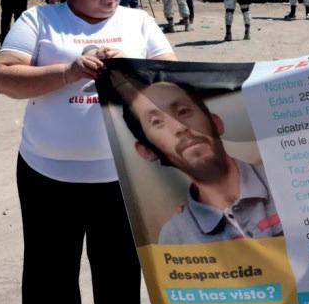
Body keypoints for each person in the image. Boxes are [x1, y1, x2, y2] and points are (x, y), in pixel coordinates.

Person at [0, 0, 177, 304]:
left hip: (121, 172)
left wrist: (134, 73)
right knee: (48, 268)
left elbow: (172, 79)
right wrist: (70, 71)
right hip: (47, 172)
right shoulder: (40, 21)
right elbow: (3, 77)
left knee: (118, 266)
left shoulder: (138, 22)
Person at [117, 78, 280, 244]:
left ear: (216, 122)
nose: (180, 127)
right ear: (147, 151)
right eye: (157, 122)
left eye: (184, 111)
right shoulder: (175, 237)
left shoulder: (285, 177)